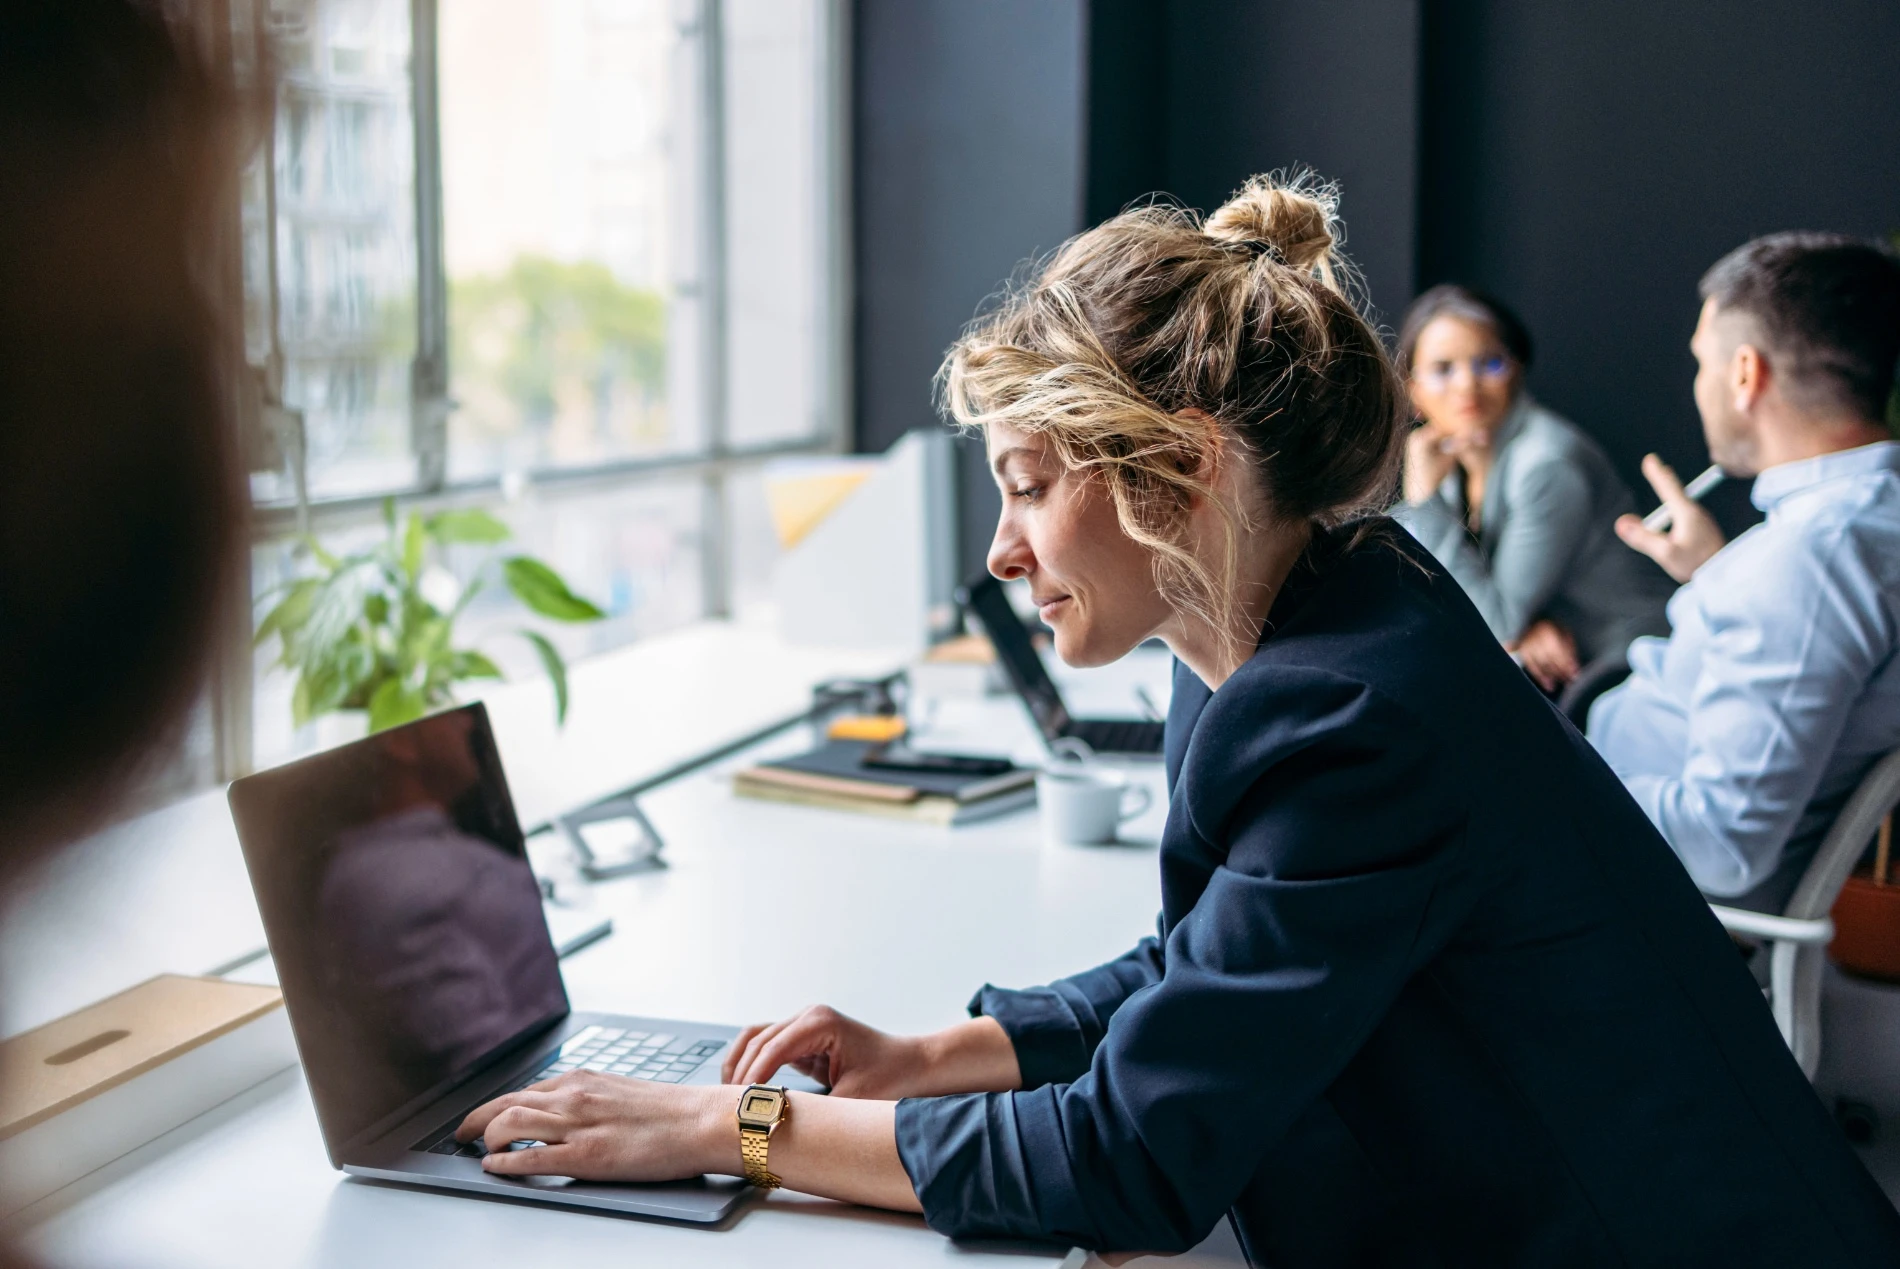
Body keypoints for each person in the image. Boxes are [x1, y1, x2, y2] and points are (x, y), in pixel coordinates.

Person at [457, 176, 1900, 1266]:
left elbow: (1130, 1155)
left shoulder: (1349, 709)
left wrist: (729, 1130)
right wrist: (926, 1054)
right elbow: (1210, 959)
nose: (1005, 549)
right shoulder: (1326, 602)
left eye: (1028, 482)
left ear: (1180, 474)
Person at [1590, 233, 1900, 913]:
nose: (1698, 384)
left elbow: (1723, 847)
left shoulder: (1812, 559)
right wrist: (1717, 573)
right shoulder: (1858, 522)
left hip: (1618, 883)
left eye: (1702, 362)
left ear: (1744, 374)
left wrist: (1543, 772)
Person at [1391, 285, 1672, 698]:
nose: (1467, 385)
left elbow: (1496, 623)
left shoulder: (1545, 465)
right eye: (1443, 369)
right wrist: (1529, 625)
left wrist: (1423, 501)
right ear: (1413, 391)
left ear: (1518, 370)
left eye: (1489, 363)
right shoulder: (1457, 458)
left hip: (1629, 677)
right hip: (1559, 673)